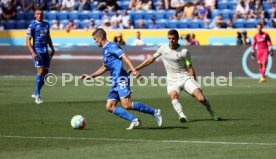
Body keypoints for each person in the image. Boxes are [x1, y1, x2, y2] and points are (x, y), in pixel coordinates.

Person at [131, 29, 222, 122]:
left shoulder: (184, 51)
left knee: (201, 99)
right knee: (173, 96)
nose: (171, 40)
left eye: (173, 38)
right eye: (169, 38)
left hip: (185, 78)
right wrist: (136, 68)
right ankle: (182, 115)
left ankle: (211, 112)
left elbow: (190, 67)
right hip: (172, 80)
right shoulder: (163, 49)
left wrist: (195, 82)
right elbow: (150, 60)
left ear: (178, 39)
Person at [80, 28, 162, 130]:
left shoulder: (112, 46)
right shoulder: (105, 50)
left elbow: (125, 58)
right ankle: (134, 120)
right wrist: (91, 76)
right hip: (115, 81)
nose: (95, 42)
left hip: (121, 79)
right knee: (109, 107)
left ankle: (155, 112)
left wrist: (134, 71)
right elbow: (104, 67)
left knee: (126, 105)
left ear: (101, 37)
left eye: (95, 39)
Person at [26, 9, 55, 104]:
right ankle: (38, 95)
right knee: (41, 70)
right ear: (35, 15)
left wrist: (52, 48)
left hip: (45, 51)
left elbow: (48, 37)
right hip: (37, 51)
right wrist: (33, 53)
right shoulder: (32, 26)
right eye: (38, 14)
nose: (39, 15)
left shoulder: (46, 24)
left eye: (41, 14)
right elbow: (28, 42)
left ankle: (35, 91)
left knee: (46, 74)